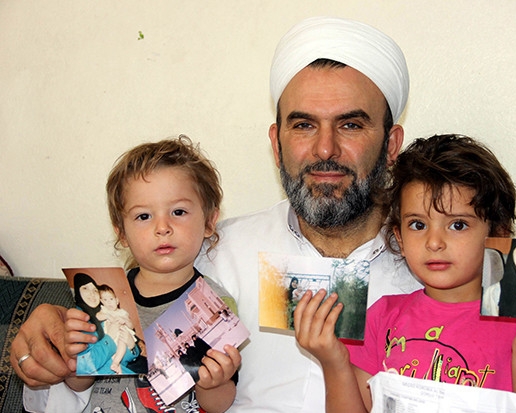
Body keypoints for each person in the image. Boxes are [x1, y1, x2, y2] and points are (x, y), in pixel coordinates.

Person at [11, 17, 423, 412]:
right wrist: (53, 339)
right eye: (303, 125)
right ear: (277, 145)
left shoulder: (436, 270)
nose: (325, 148)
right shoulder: (213, 253)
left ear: (391, 145)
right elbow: (113, 367)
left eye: (350, 125)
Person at [294, 135, 516, 413]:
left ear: (498, 235)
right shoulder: (382, 315)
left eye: (458, 225)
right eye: (418, 225)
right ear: (400, 238)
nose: (434, 242)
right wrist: (333, 361)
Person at [22, 136, 242, 412]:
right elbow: (79, 384)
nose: (162, 227)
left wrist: (214, 384)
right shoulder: (104, 295)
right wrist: (75, 353)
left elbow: (219, 406)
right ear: (122, 233)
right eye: (143, 216)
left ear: (209, 221)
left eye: (178, 211)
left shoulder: (215, 304)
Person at [71, 273, 141, 376]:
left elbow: (123, 355)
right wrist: (110, 338)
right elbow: (84, 366)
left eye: (95, 290)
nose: (92, 294)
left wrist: (131, 347)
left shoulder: (103, 313)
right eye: (85, 288)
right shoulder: (77, 319)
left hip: (119, 369)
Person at [95, 284, 138, 374]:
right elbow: (98, 316)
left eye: (111, 299)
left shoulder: (122, 312)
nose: (109, 302)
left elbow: (131, 326)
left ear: (117, 300)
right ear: (101, 302)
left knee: (122, 344)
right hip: (110, 335)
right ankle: (116, 365)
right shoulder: (105, 311)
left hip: (122, 334)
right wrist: (107, 316)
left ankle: (116, 362)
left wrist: (125, 321)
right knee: (112, 349)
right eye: (105, 300)